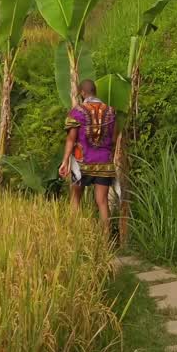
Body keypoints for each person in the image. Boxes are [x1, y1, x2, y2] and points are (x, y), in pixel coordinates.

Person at [58, 79, 117, 237]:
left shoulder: (77, 111)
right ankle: (106, 242)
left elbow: (71, 139)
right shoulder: (110, 111)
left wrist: (65, 161)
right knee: (102, 202)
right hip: (104, 163)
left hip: (81, 163)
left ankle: (75, 237)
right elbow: (113, 139)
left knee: (76, 197)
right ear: (95, 91)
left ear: (82, 93)